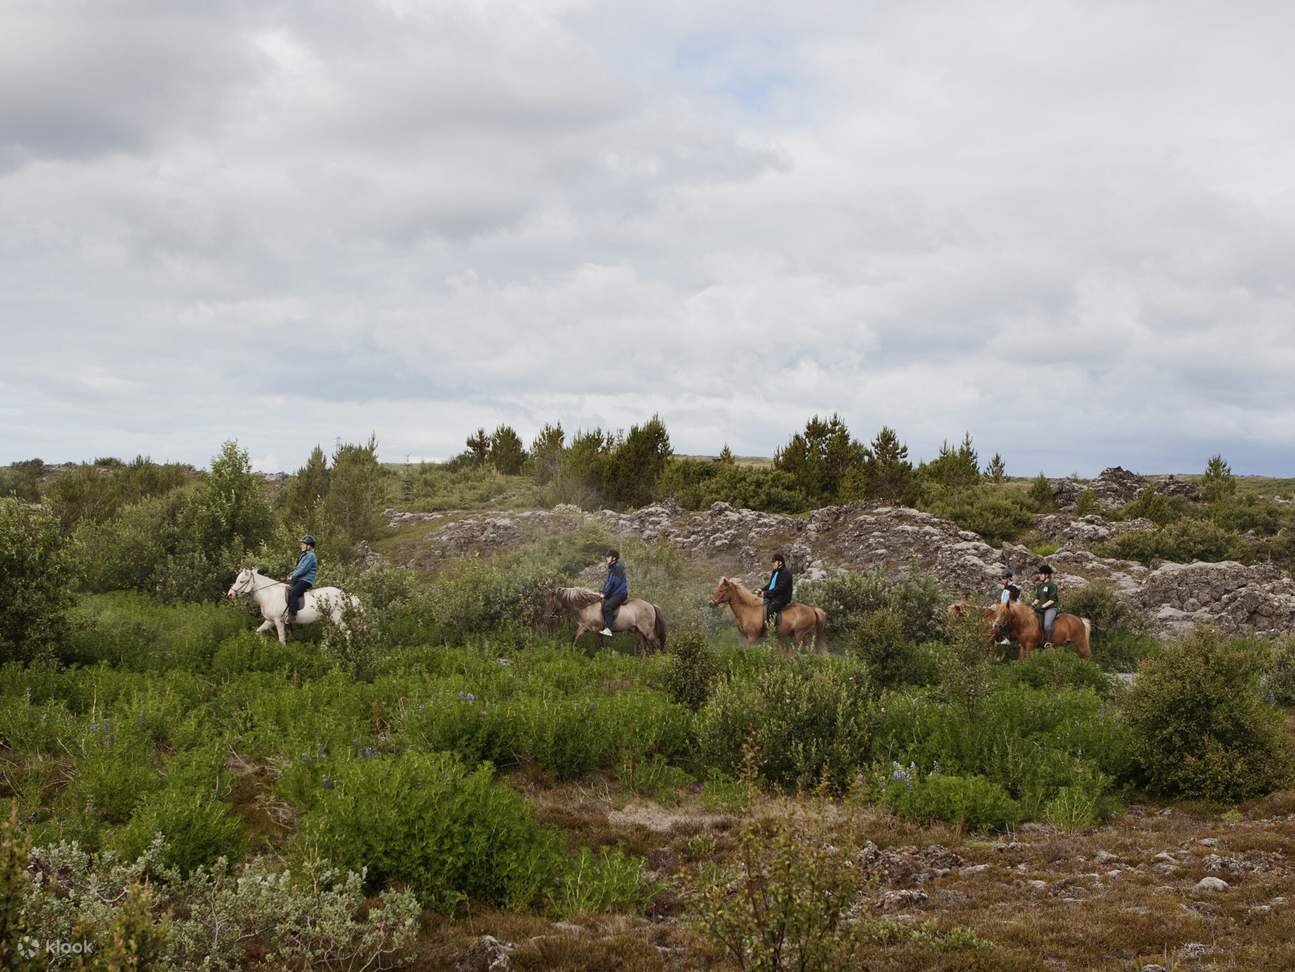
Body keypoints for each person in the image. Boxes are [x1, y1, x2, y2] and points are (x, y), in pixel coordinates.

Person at [283, 534, 317, 623]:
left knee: (293, 593)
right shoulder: (304, 555)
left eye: (303, 544)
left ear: (309, 546)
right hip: (300, 579)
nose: (301, 545)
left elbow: (303, 569)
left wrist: (293, 576)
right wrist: (290, 574)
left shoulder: (310, 556)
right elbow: (298, 568)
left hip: (306, 580)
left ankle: (293, 615)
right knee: (286, 590)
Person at [761, 552, 793, 632]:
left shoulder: (786, 573)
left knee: (771, 610)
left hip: (781, 598)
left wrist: (766, 593)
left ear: (780, 562)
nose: (773, 564)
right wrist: (762, 590)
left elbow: (780, 588)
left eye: (774, 562)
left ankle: (772, 630)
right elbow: (771, 584)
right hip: (773, 596)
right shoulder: (775, 572)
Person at [598, 548, 627, 636]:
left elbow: (613, 583)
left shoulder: (617, 567)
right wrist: (602, 591)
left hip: (620, 594)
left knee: (607, 607)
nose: (607, 558)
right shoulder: (612, 568)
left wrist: (605, 594)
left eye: (608, 557)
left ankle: (609, 629)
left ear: (614, 558)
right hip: (615, 593)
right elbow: (608, 583)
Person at [1033, 563, 1059, 647]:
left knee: (1047, 625)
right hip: (1041, 608)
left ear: (1047, 575)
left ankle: (1048, 642)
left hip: (1050, 608)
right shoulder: (1040, 586)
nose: (1039, 575)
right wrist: (1032, 605)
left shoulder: (1052, 585)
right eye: (1039, 574)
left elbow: (1052, 600)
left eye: (1041, 574)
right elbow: (1037, 599)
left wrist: (1043, 606)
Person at [996, 570, 1021, 644]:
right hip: (1004, 608)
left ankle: (1007, 638)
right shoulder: (1006, 588)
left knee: (1002, 619)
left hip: (1013, 608)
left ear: (1009, 578)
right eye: (1001, 578)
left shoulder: (1014, 588)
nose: (1002, 580)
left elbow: (1012, 601)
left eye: (1004, 578)